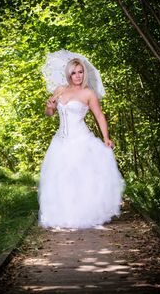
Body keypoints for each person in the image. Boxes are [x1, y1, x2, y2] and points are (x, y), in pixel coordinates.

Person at [38, 58, 124, 229]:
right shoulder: (60, 90)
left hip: (81, 141)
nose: (77, 76)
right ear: (68, 74)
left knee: (81, 179)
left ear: (84, 73)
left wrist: (106, 138)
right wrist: (49, 106)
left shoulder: (88, 93)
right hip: (60, 142)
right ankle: (63, 216)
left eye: (80, 72)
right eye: (74, 72)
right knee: (60, 179)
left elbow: (99, 116)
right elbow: (49, 113)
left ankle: (83, 215)